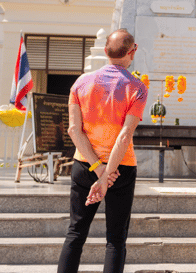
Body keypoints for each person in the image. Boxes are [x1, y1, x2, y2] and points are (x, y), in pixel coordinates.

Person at [57, 29, 148, 273]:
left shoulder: (81, 83)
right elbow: (124, 135)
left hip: (85, 165)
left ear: (106, 52)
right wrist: (107, 173)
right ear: (133, 51)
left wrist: (98, 170)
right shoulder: (136, 87)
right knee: (116, 239)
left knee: (76, 233)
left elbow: (74, 130)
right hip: (122, 168)